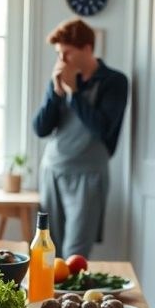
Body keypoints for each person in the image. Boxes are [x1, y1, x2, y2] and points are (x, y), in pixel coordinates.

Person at [32, 18, 128, 258]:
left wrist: (74, 92)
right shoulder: (59, 79)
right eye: (59, 54)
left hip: (88, 177)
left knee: (75, 254)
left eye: (67, 53)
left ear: (87, 48)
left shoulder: (114, 81)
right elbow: (41, 129)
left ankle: (71, 297)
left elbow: (103, 129)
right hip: (52, 172)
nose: (61, 60)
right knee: (47, 251)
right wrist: (56, 94)